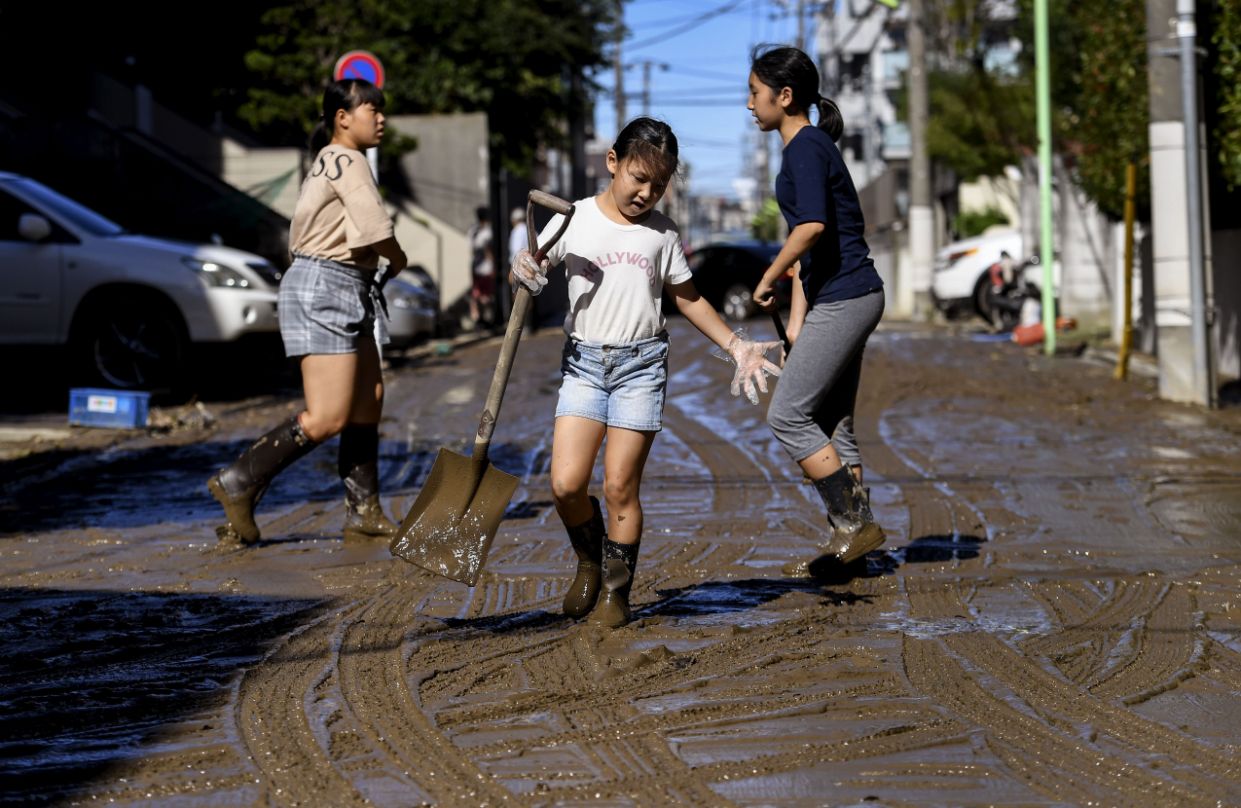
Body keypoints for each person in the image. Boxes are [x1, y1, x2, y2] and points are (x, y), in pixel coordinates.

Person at [511, 117, 781, 628]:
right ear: (613, 163)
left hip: (641, 368)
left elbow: (689, 298)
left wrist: (737, 344)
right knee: (566, 485)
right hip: (584, 365)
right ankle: (590, 559)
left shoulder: (663, 235)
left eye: (658, 184)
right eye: (638, 178)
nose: (646, 193)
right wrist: (523, 268)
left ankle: (616, 592)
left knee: (619, 488)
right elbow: (530, 266)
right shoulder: (574, 218)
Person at [207, 78, 406, 545]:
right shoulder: (347, 158)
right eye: (371, 109)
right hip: (326, 287)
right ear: (343, 118)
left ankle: (363, 508)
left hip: (344, 285)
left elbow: (357, 229)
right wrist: (397, 259)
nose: (380, 118)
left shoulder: (329, 159)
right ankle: (237, 480)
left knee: (367, 401)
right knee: (327, 416)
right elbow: (374, 227)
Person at [746, 46, 887, 571]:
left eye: (755, 94)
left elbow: (811, 229)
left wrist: (765, 275)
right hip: (846, 294)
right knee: (833, 425)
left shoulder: (804, 147)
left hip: (848, 295)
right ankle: (852, 551)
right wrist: (799, 322)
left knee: (788, 415)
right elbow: (808, 250)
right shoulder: (809, 147)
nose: (749, 104)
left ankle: (857, 524)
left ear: (785, 97)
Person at [467, 206, 495, 328]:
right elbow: (487, 250)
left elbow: (471, 249)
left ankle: (478, 318)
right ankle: (486, 319)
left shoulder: (472, 231)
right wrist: (493, 265)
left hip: (474, 264)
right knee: (486, 295)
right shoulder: (487, 232)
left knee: (476, 293)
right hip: (485, 266)